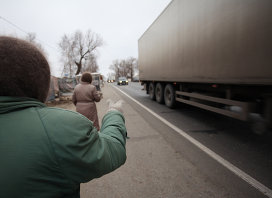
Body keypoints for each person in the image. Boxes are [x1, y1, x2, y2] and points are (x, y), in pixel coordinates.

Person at [0, 36, 127, 198]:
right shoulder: (60, 128)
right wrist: (114, 113)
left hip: (80, 107)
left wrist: (77, 104)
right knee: (92, 125)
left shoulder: (76, 89)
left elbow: (73, 100)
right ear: (41, 86)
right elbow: (112, 150)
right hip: (89, 108)